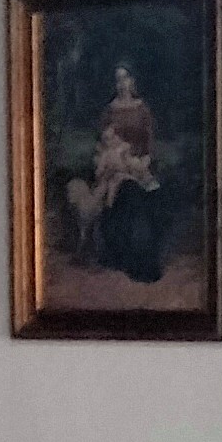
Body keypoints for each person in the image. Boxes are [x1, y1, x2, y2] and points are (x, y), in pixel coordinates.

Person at [85, 64, 168, 282]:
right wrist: (114, 163)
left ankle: (148, 260)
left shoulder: (142, 109)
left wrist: (145, 161)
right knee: (129, 195)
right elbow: (101, 145)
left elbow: (149, 143)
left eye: (126, 78)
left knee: (154, 197)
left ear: (133, 81)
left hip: (140, 166)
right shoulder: (110, 111)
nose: (122, 84)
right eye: (118, 79)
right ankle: (129, 260)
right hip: (115, 169)